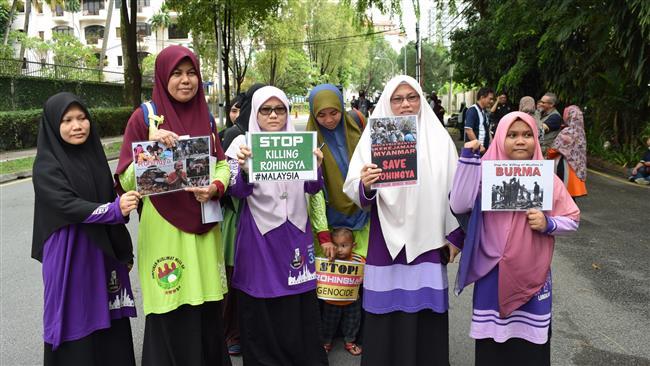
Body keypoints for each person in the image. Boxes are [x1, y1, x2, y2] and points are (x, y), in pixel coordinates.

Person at [115, 45, 232, 366]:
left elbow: (221, 164)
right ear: (163, 77)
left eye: (191, 72)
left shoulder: (205, 115)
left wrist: (215, 186)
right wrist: (152, 146)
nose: (186, 81)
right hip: (164, 231)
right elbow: (125, 181)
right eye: (177, 74)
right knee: (171, 302)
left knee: (206, 306)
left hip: (204, 228)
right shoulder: (145, 116)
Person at [343, 75, 463, 366]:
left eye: (412, 97)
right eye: (397, 98)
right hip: (385, 241)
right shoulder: (374, 138)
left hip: (428, 242)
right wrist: (367, 184)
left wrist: (455, 237)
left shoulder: (439, 139)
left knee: (426, 317)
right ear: (388, 102)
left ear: (421, 99)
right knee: (386, 315)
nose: (406, 104)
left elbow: (457, 191)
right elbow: (353, 186)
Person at [450, 111, 580, 366]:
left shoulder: (548, 180)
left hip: (531, 280)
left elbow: (573, 219)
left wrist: (548, 223)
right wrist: (468, 159)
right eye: (512, 135)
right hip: (492, 277)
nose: (520, 141)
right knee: (492, 351)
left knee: (530, 350)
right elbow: (459, 203)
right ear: (499, 139)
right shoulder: (484, 174)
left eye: (526, 135)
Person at [32, 92, 139, 365]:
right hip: (69, 251)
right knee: (74, 315)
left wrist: (123, 252)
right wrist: (115, 210)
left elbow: (106, 197)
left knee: (109, 316)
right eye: (67, 120)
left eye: (82, 118)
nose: (77, 125)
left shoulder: (95, 157)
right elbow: (66, 205)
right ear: (53, 125)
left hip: (101, 250)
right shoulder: (46, 164)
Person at [227, 86, 328, 366]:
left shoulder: (302, 142)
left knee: (297, 302)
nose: (273, 116)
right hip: (260, 235)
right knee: (261, 301)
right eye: (266, 110)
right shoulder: (241, 146)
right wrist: (244, 170)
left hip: (295, 231)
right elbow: (235, 192)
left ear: (287, 112)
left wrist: (317, 167)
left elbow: (313, 187)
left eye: (279, 109)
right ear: (255, 113)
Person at [306, 83, 370, 261]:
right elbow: (313, 191)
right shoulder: (309, 143)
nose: (328, 120)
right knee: (335, 283)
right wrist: (323, 233)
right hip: (328, 223)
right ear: (313, 114)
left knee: (364, 277)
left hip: (364, 216)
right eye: (321, 114)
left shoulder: (359, 137)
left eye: (334, 113)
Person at [320, 228, 366, 356]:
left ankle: (350, 341)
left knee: (353, 321)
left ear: (353, 245)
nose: (339, 249)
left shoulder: (358, 260)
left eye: (344, 245)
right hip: (331, 300)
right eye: (335, 245)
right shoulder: (328, 259)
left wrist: (362, 278)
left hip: (352, 300)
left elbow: (365, 273)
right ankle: (326, 342)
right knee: (328, 322)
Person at [546, 105, 588, 198]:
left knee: (562, 192)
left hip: (565, 166)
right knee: (571, 197)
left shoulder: (567, 131)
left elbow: (554, 149)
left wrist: (548, 153)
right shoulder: (580, 132)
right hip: (576, 167)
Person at [465, 87, 495, 152]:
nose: (491, 101)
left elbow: (487, 130)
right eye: (490, 99)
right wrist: (480, 146)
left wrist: (492, 145)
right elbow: (468, 130)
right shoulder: (472, 110)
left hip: (483, 150)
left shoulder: (483, 112)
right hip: (475, 151)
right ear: (482, 97)